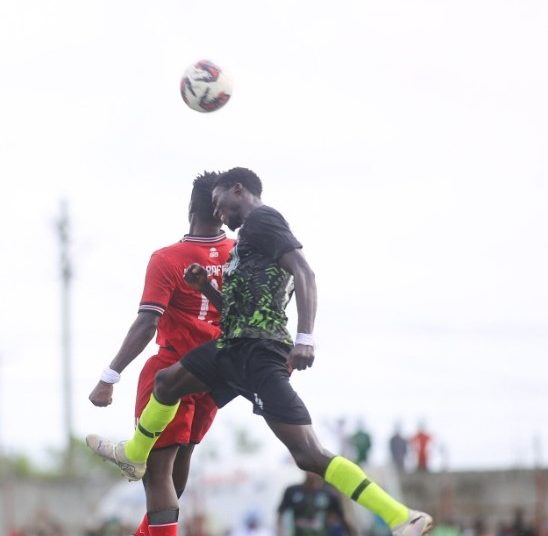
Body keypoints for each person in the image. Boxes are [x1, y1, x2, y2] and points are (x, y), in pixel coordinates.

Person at [87, 167, 433, 536]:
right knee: (166, 382)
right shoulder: (241, 245)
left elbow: (305, 272)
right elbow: (237, 308)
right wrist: (206, 287)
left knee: (308, 454)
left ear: (239, 191)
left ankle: (401, 515)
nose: (221, 216)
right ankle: (135, 452)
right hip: (231, 347)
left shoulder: (262, 220)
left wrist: (306, 337)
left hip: (258, 353)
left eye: (222, 206)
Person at [87, 171, 234, 536]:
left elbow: (147, 323)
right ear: (222, 211)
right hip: (216, 371)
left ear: (190, 208)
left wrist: (109, 376)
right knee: (178, 466)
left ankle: (130, 456)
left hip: (173, 370)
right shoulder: (239, 254)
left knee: (156, 473)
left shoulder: (169, 259)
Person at [277, 472, 355, 536]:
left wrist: (352, 533)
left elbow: (343, 518)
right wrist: (280, 532)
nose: (311, 472)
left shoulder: (330, 493)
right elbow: (280, 514)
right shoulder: (292, 490)